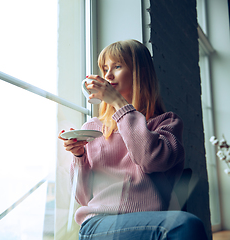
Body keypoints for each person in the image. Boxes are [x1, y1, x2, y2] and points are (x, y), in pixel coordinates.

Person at [58, 39, 208, 240]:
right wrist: (79, 156)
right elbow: (83, 198)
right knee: (187, 226)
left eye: (117, 66)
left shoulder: (167, 124)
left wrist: (120, 104)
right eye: (104, 69)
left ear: (140, 73)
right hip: (98, 224)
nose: (108, 75)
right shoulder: (92, 128)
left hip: (151, 223)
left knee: (184, 226)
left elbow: (150, 160)